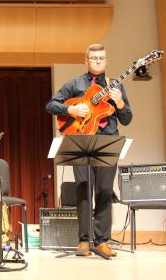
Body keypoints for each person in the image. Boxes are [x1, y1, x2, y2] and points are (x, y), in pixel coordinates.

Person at [45, 43, 132, 257]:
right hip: (81, 141)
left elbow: (127, 119)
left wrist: (120, 104)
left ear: (106, 60)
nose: (98, 61)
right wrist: (71, 109)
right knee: (84, 190)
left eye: (102, 58)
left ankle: (102, 241)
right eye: (94, 58)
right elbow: (51, 105)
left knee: (104, 191)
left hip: (107, 142)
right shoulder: (75, 83)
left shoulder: (116, 87)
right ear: (86, 61)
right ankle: (84, 241)